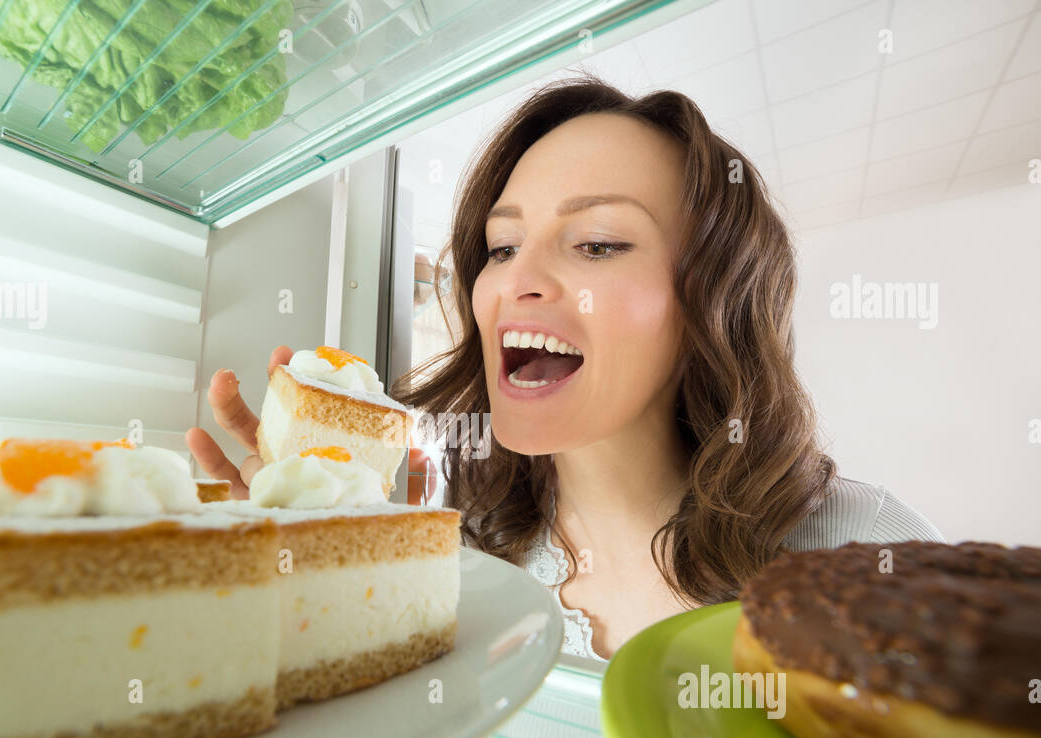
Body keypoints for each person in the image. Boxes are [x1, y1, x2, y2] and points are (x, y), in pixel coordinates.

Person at [187, 73, 944, 666]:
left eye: (599, 244)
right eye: (503, 247)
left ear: (715, 301)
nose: (518, 280)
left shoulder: (871, 553)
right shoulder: (474, 553)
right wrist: (319, 567)